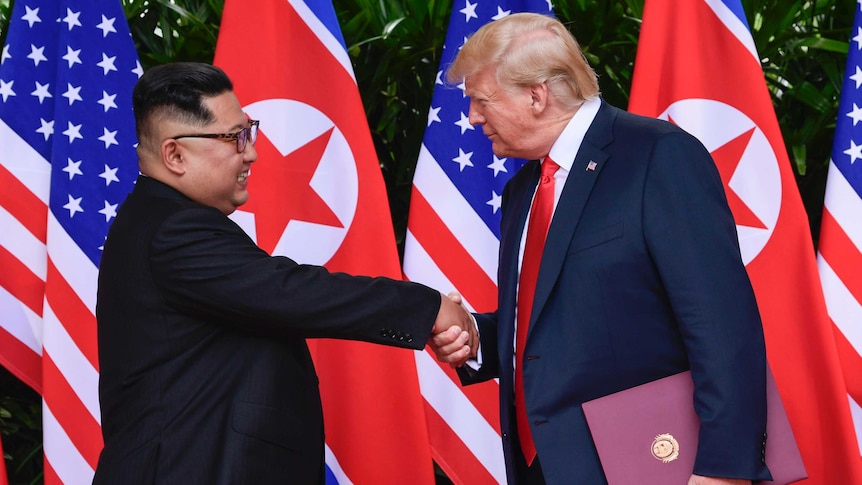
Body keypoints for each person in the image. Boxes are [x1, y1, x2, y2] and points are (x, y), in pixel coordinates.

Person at [93, 62, 476, 484]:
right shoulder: (172, 230)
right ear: (175, 154)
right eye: (234, 137)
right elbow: (291, 292)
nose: (251, 152)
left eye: (248, 130)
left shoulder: (161, 220)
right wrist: (429, 307)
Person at [429, 13, 772, 485]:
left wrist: (723, 470)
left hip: (655, 467)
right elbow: (560, 323)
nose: (471, 117)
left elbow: (722, 325)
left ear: (536, 95)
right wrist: (475, 336)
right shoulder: (524, 189)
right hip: (544, 469)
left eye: (481, 100)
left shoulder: (658, 156)